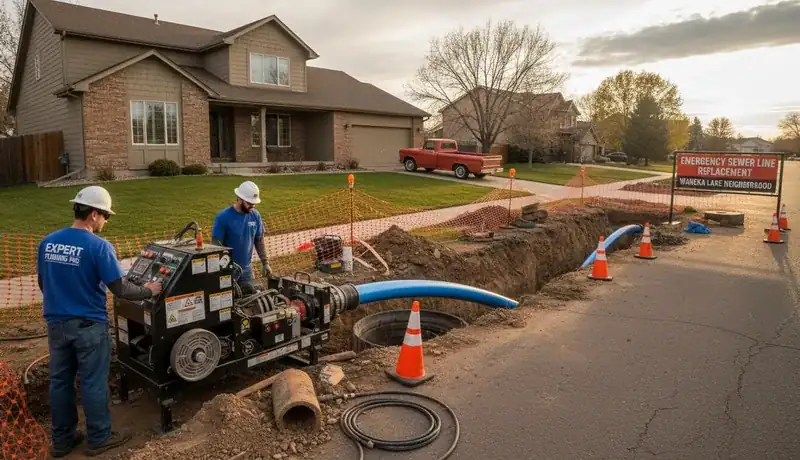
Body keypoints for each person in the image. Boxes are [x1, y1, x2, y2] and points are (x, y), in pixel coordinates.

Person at [37, 186, 162, 458]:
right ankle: (99, 438)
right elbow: (121, 289)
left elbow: (43, 283)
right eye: (105, 215)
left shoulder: (47, 242)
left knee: (60, 381)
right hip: (88, 326)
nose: (106, 221)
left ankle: (62, 440)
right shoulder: (98, 247)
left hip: (57, 325)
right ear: (94, 214)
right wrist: (149, 290)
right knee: (93, 381)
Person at [211, 180, 272, 293]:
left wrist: (265, 262)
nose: (252, 206)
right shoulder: (223, 217)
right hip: (228, 270)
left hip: (246, 269)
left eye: (254, 204)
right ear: (239, 198)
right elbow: (215, 246)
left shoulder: (255, 216)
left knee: (248, 301)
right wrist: (225, 267)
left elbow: (259, 241)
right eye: (249, 203)